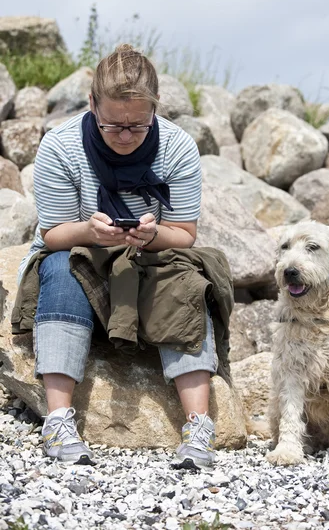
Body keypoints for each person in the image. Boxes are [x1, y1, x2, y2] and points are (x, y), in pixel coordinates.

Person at [15, 44, 233, 469]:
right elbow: (53, 234)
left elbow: (185, 235)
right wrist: (88, 231)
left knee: (185, 282)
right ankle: (59, 421)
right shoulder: (60, 146)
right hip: (82, 250)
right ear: (92, 103)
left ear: (155, 108)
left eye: (138, 124)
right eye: (113, 125)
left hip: (151, 256)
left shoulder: (177, 147)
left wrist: (151, 236)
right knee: (60, 268)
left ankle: (198, 429)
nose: (126, 135)